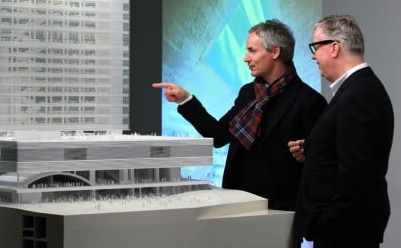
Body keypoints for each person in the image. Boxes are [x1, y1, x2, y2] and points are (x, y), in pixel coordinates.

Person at [153, 19, 327, 211]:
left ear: (275, 52)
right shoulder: (248, 93)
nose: (246, 57)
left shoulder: (310, 101)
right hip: (235, 205)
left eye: (252, 50)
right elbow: (218, 136)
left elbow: (318, 166)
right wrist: (186, 100)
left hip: (279, 213)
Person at [289, 14, 394, 248]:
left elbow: (357, 178)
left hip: (343, 234)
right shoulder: (358, 90)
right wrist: (314, 149)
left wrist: (324, 225)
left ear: (334, 48)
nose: (313, 55)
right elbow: (350, 153)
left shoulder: (359, 95)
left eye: (315, 46)